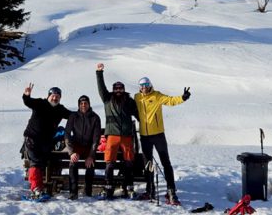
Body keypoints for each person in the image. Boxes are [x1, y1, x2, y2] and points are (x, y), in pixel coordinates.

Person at [134, 76, 190, 205]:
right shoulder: (137, 97)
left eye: (146, 84)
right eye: (142, 85)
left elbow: (170, 101)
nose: (144, 87)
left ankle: (171, 191)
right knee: (148, 165)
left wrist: (183, 97)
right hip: (144, 137)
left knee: (166, 163)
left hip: (158, 135)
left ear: (150, 85)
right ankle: (150, 190)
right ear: (139, 87)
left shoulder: (157, 95)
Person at [95, 62, 140, 199]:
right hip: (112, 136)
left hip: (127, 136)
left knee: (128, 162)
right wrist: (99, 73)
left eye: (121, 88)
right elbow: (101, 88)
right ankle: (108, 187)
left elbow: (138, 114)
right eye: (116, 88)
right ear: (113, 89)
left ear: (124, 89)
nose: (118, 90)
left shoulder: (129, 101)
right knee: (110, 162)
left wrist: (145, 123)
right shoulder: (107, 98)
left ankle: (128, 187)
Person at [21, 83, 73, 199]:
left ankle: (39, 187)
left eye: (57, 97)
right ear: (48, 96)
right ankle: (36, 189)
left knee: (42, 164)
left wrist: (84, 113)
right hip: (32, 139)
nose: (55, 98)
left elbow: (72, 116)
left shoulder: (60, 109)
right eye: (53, 96)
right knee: (35, 163)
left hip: (46, 142)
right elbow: (28, 102)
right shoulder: (40, 103)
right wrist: (26, 95)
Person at [64, 95, 101, 200]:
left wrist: (91, 155)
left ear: (89, 104)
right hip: (77, 145)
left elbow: (96, 139)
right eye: (81, 103)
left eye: (85, 103)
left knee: (91, 164)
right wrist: (71, 152)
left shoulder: (95, 117)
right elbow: (67, 134)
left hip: (89, 146)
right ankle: (73, 192)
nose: (83, 105)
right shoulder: (73, 116)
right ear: (79, 105)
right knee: (73, 163)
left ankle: (88, 190)